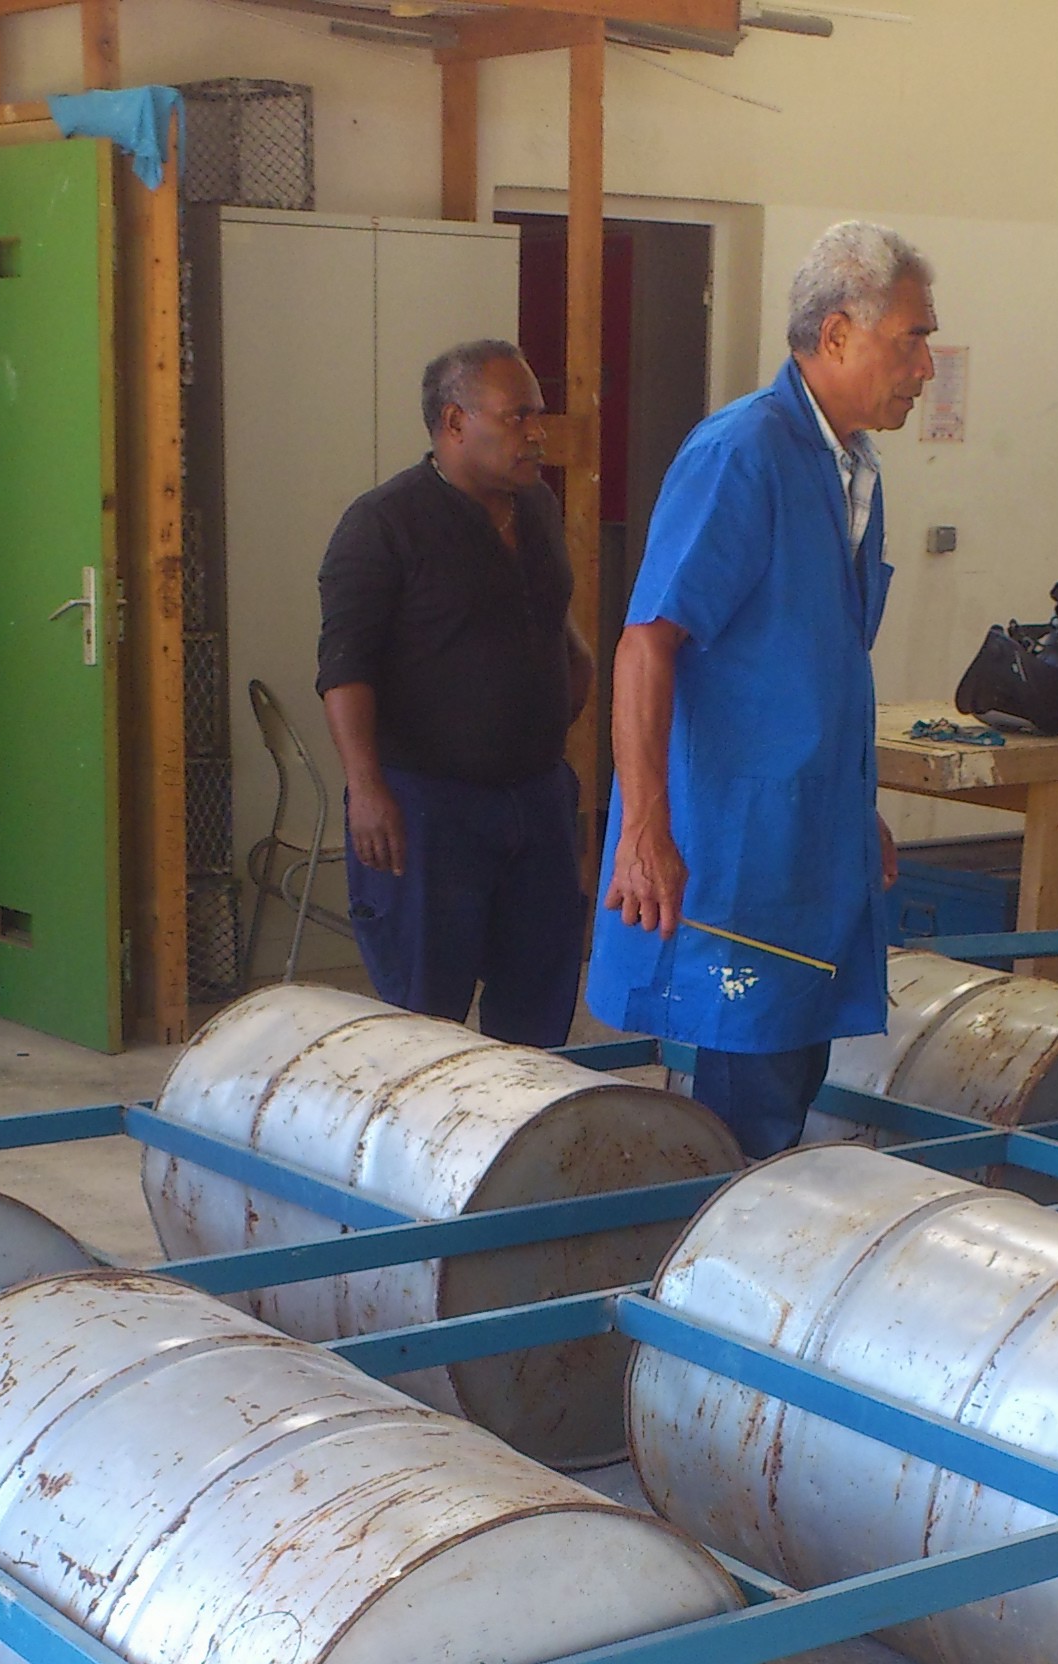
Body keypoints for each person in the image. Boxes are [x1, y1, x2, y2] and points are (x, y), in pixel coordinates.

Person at [584, 220, 937, 1158]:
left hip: (802, 839)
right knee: (742, 1109)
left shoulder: (847, 467)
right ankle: (712, 1247)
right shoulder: (742, 453)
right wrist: (644, 828)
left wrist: (853, 805)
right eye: (911, 339)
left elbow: (807, 664)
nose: (926, 367)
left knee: (785, 1081)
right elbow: (646, 645)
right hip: (737, 855)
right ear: (837, 334)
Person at [315, 340, 595, 1047]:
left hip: (535, 799)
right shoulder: (384, 524)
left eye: (539, 413)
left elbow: (547, 612)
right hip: (427, 808)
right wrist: (366, 789)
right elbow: (345, 666)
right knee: (426, 1025)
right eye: (518, 415)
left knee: (537, 1016)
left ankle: (520, 1118)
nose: (538, 432)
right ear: (454, 422)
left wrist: (577, 667)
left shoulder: (536, 509)